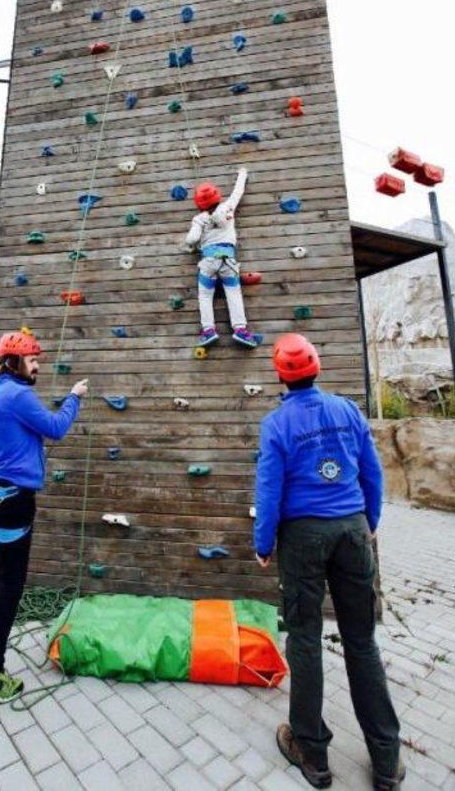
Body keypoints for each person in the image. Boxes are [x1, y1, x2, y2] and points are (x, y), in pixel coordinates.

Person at [254, 333, 404, 790]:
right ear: (317, 367)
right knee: (362, 642)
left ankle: (313, 756)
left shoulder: (277, 423)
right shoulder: (347, 411)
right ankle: (385, 762)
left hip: (303, 537)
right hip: (352, 530)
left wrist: (263, 543)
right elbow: (371, 471)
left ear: (281, 374)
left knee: (304, 639)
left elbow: (269, 490)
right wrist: (369, 519)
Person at [0, 329, 88, 704]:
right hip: (13, 503)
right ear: (15, 362)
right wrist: (75, 398)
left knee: (0, 576)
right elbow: (57, 428)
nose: (38, 366)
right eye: (33, 360)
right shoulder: (18, 395)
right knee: (11, 586)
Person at [185, 166, 258, 348]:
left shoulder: (199, 219)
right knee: (233, 293)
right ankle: (240, 330)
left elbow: (192, 238)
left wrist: (192, 245)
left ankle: (208, 331)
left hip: (209, 261)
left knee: (205, 295)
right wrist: (243, 173)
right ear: (216, 196)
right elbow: (238, 191)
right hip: (228, 260)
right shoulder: (228, 208)